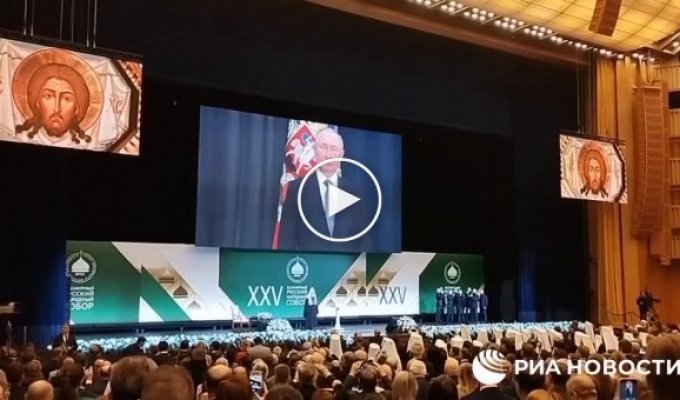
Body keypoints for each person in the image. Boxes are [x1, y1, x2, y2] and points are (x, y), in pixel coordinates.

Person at [279, 126, 371, 252]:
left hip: (348, 268)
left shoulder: (356, 192)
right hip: (310, 267)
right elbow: (286, 240)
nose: (328, 155)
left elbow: (364, 240)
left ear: (342, 154)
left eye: (334, 149)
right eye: (323, 147)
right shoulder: (296, 189)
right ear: (314, 151)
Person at [12, 49, 103, 147]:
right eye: (48, 96)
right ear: (37, 102)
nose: (57, 109)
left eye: (67, 99)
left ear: (77, 108)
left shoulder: (86, 145)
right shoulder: (19, 139)